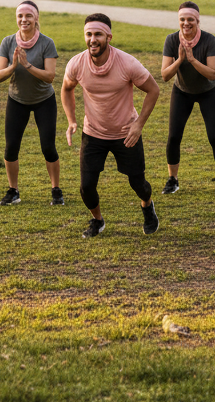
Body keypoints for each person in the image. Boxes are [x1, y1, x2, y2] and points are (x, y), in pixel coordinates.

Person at [61, 14, 160, 238]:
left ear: (109, 37)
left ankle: (147, 206)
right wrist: (72, 120)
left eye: (98, 34)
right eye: (88, 34)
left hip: (126, 133)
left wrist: (138, 125)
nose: (92, 39)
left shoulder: (127, 63)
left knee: (138, 184)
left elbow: (153, 90)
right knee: (86, 187)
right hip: (93, 132)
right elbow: (66, 89)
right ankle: (98, 220)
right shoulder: (77, 63)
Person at [0, 1, 63, 206]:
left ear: (36, 18)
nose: (24, 20)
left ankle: (56, 190)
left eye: (28, 16)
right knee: (11, 148)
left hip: (44, 101)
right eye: (20, 16)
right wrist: (13, 66)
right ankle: (13, 190)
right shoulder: (7, 42)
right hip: (17, 100)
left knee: (48, 147)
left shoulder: (46, 43)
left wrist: (27, 65)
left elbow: (50, 77)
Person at [160, 1, 215, 195]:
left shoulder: (209, 40)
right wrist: (181, 60)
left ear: (197, 21)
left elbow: (212, 74)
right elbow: (165, 75)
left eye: (190, 19)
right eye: (182, 19)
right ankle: (172, 179)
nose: (186, 23)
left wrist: (191, 60)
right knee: (174, 136)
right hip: (182, 91)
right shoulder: (172, 40)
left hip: (208, 92)